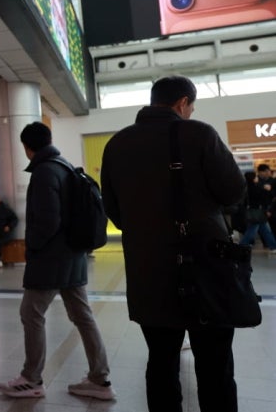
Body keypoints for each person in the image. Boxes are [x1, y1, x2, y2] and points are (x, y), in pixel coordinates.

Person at [100, 75, 245, 412]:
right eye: (191, 107)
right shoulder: (199, 134)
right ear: (183, 103)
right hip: (206, 270)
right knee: (216, 365)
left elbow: (114, 212)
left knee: (161, 363)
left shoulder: (117, 144)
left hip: (148, 274)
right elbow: (234, 191)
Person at [0, 122, 114, 400]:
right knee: (82, 316)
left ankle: (31, 378)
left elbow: (47, 220)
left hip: (51, 259)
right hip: (73, 255)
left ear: (27, 147)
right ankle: (100, 379)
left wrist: (33, 248)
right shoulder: (64, 166)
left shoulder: (44, 172)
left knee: (31, 313)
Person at [239, 171, 276, 251]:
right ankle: (241, 246)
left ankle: (273, 246)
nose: (257, 178)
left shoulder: (246, 188)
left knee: (265, 230)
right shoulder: (255, 188)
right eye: (255, 177)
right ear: (252, 178)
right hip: (257, 212)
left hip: (253, 212)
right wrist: (267, 190)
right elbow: (262, 198)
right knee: (252, 231)